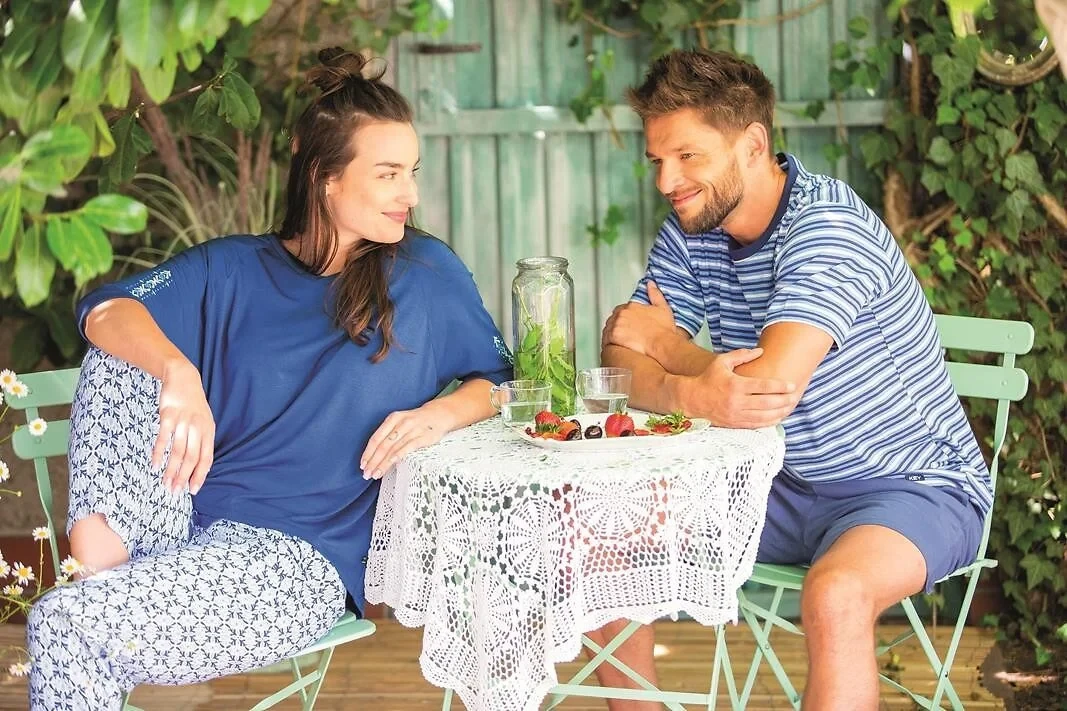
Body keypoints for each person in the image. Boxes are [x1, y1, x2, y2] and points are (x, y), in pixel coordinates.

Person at [26, 48, 512, 710]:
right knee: (126, 348)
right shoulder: (233, 267)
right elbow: (104, 310)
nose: (411, 195)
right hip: (175, 526)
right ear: (325, 178)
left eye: (412, 172)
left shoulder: (425, 273)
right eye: (389, 174)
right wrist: (178, 372)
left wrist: (439, 415)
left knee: (65, 623)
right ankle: (107, 560)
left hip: (294, 562)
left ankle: (103, 589)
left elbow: (501, 383)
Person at [595, 49, 989, 710]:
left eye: (687, 156)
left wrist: (665, 345)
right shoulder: (694, 227)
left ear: (753, 145)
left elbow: (766, 390)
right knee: (603, 540)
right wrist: (691, 392)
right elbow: (617, 360)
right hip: (775, 482)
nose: (667, 181)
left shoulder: (825, 225)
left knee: (835, 594)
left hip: (909, 486)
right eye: (657, 159)